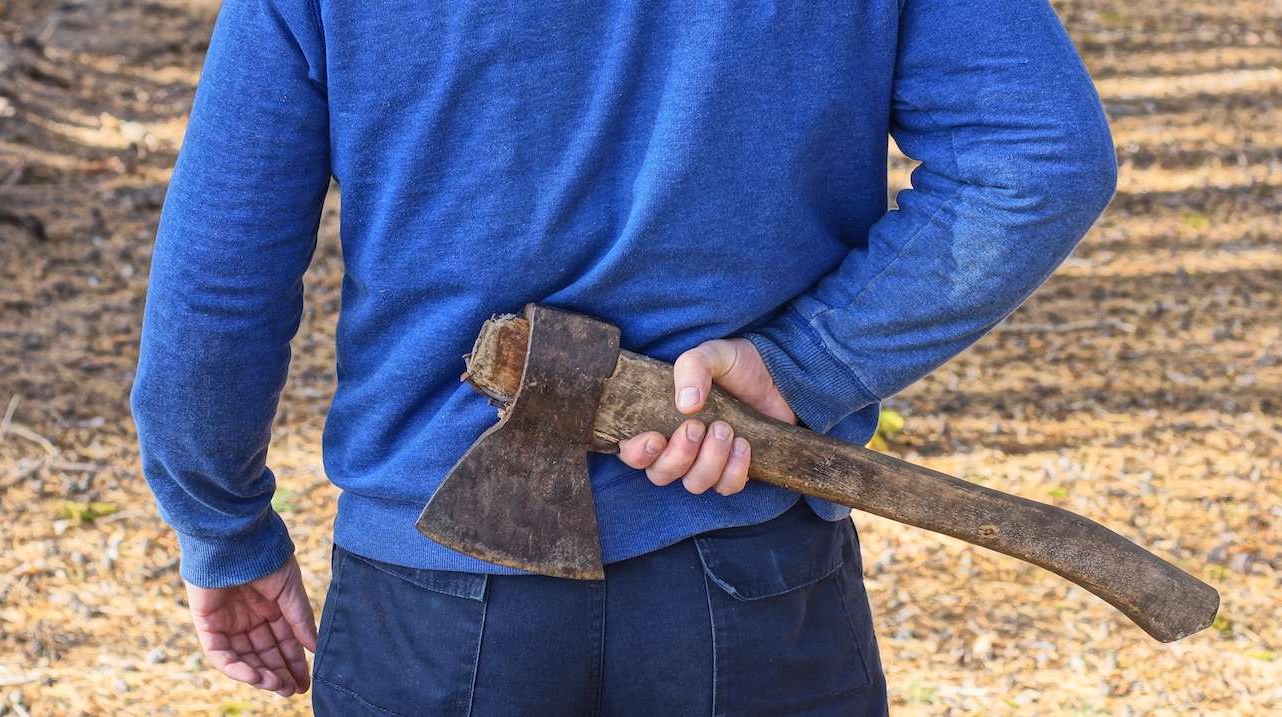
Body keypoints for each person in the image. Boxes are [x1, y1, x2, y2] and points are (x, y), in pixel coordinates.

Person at [131, 0, 1116, 714]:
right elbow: (1037, 159)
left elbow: (219, 284)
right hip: (753, 579)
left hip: (437, 612)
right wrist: (801, 364)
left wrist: (224, 530)